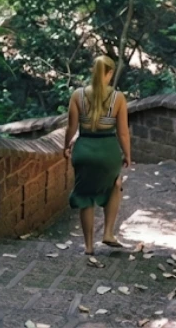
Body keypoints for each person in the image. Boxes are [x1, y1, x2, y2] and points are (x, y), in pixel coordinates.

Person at [63, 54, 132, 255]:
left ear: (93, 71)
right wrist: (127, 154)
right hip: (108, 150)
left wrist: (66, 146)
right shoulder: (118, 98)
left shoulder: (77, 95)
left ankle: (88, 246)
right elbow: (123, 132)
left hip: (84, 150)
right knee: (115, 184)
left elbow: (71, 127)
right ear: (109, 73)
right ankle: (108, 233)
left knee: (85, 196)